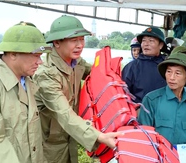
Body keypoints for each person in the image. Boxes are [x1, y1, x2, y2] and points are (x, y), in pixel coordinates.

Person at [33, 15, 122, 163]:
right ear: (56, 42)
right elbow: (64, 113)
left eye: (82, 39)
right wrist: (99, 136)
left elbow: (97, 75)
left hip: (69, 137)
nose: (80, 45)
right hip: (48, 144)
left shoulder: (76, 62)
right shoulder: (45, 74)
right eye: (74, 40)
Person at [0, 22, 51, 163]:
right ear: (13, 54)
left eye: (41, 56)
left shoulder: (26, 80)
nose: (40, 62)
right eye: (36, 56)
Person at [138, 52, 186, 145]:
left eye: (177, 73)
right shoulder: (151, 100)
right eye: (169, 72)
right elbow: (144, 135)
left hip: (182, 157)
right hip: (160, 156)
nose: (171, 77)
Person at [122, 26, 167, 105]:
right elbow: (123, 94)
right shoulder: (131, 67)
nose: (146, 44)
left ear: (160, 45)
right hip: (141, 113)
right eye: (143, 41)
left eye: (151, 41)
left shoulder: (167, 65)